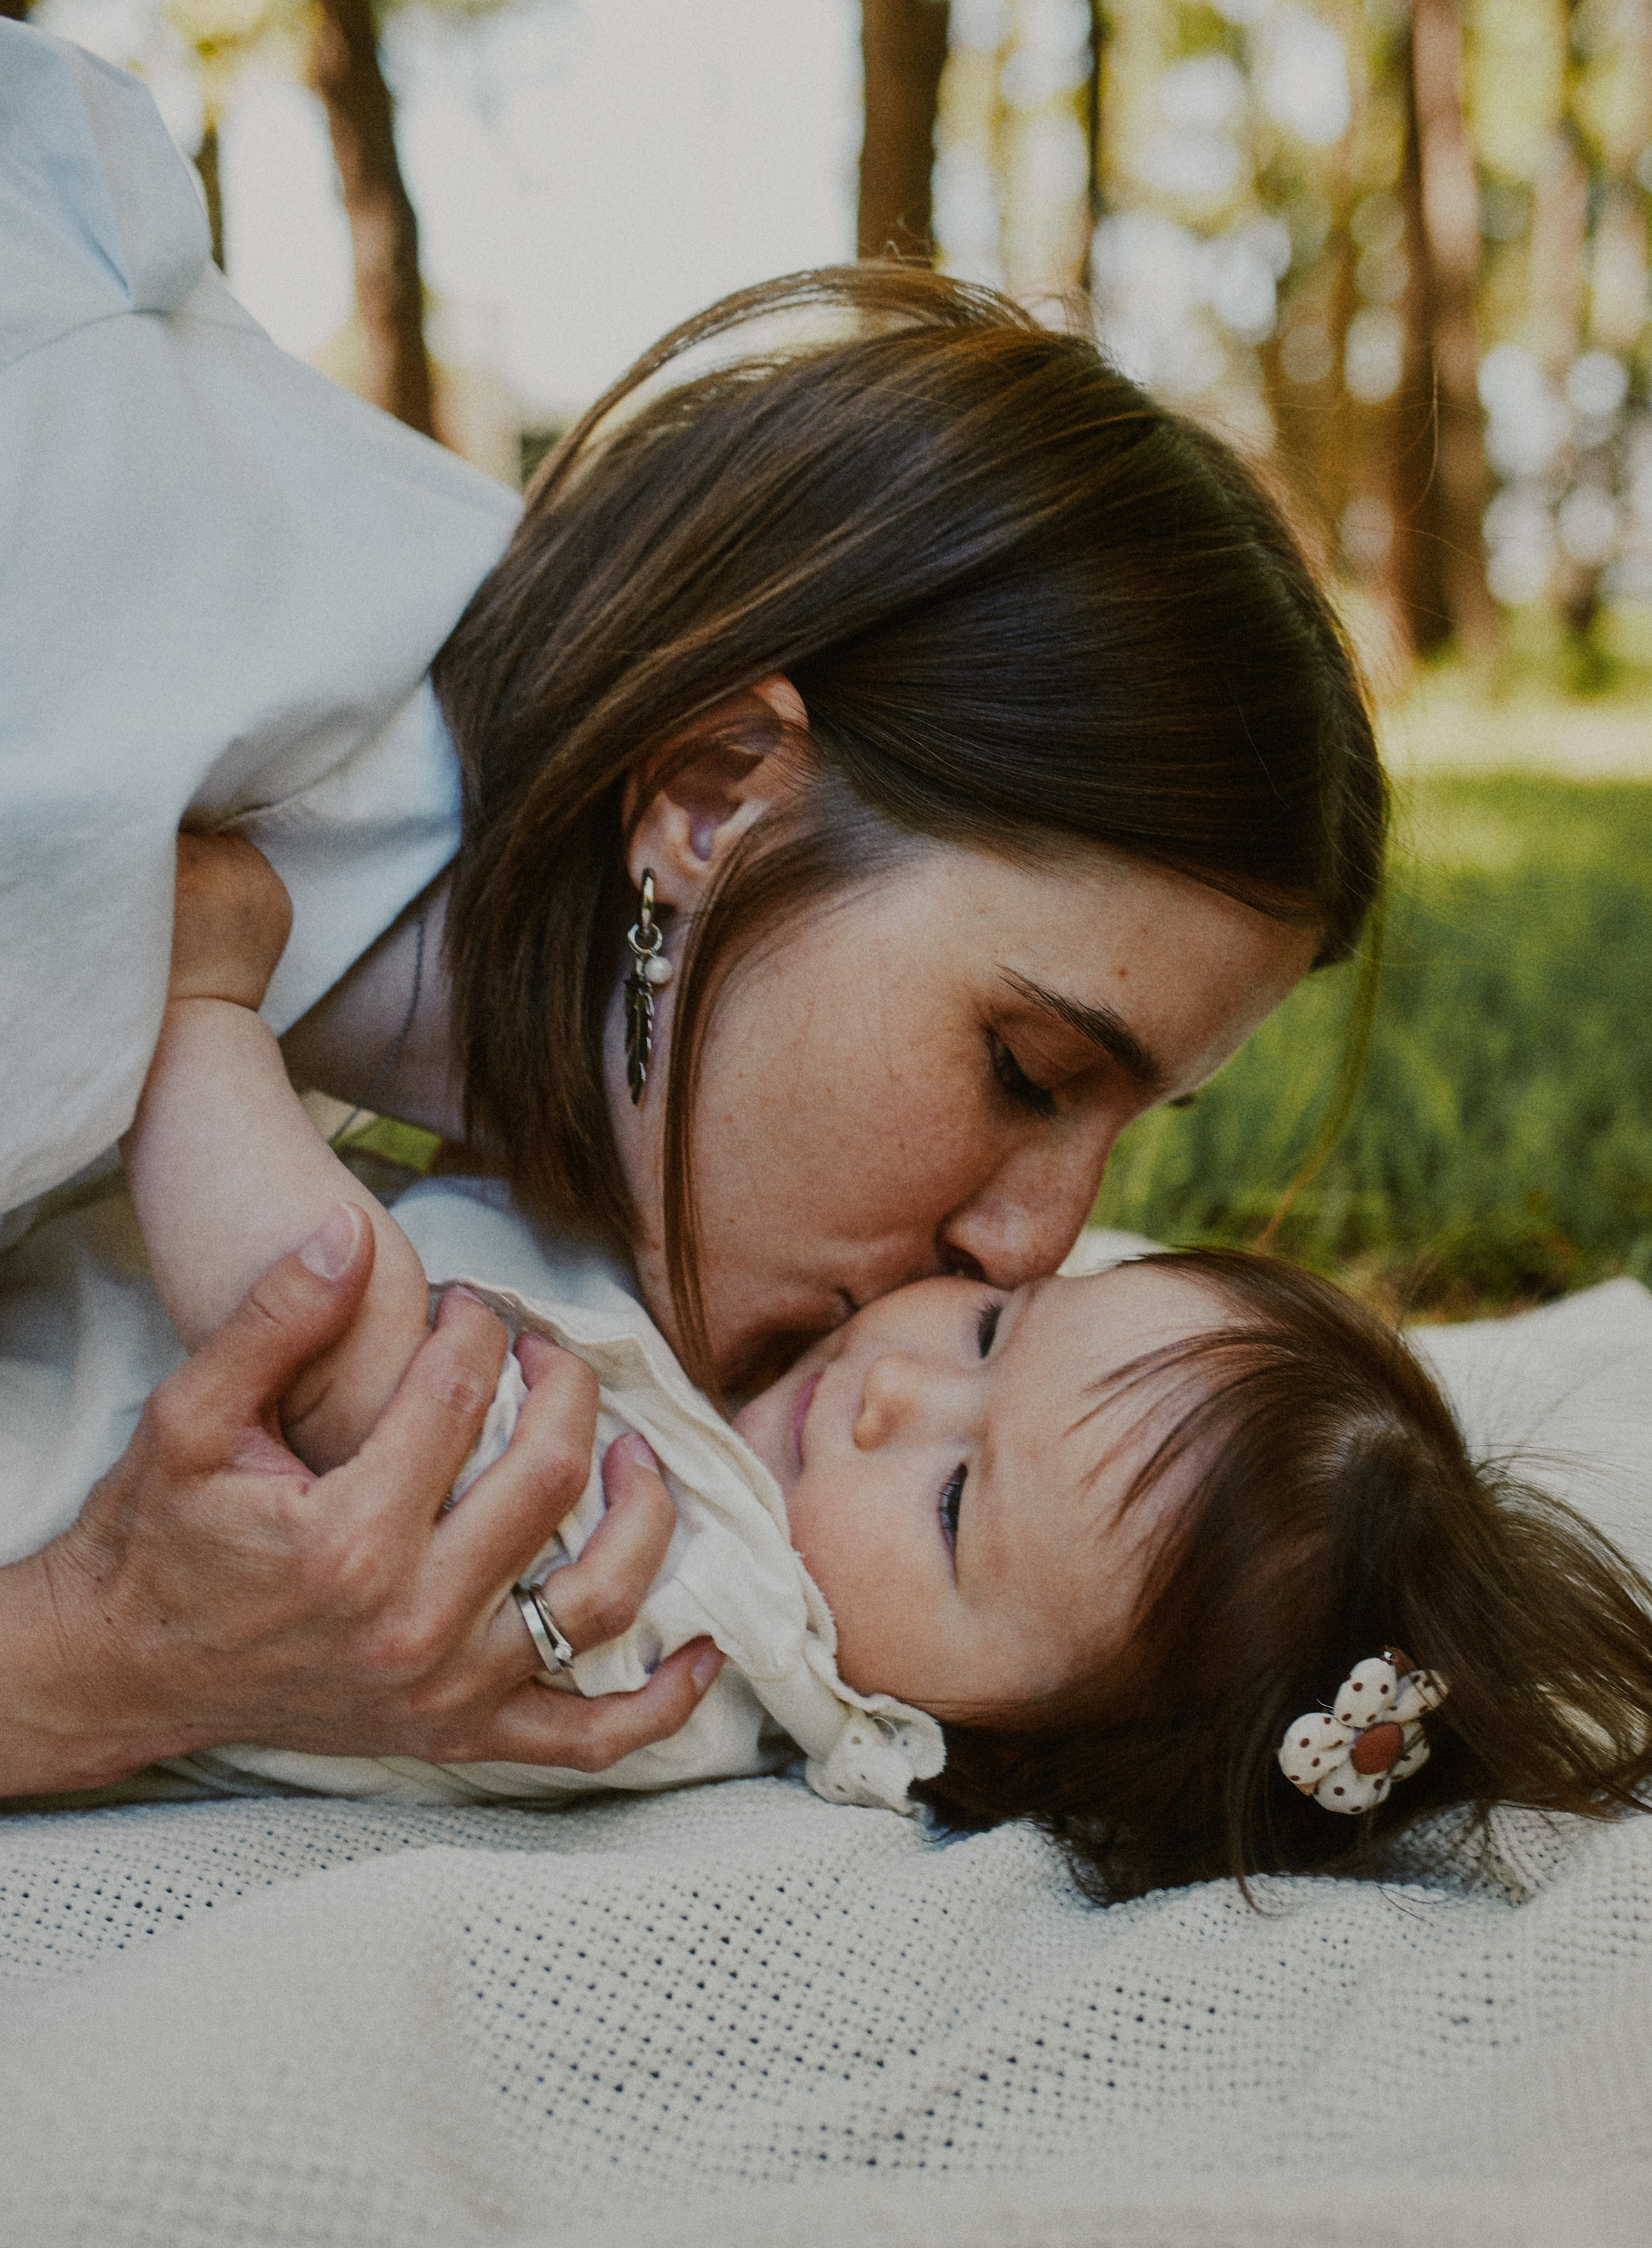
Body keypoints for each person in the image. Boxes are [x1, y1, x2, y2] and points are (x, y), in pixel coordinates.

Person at [0, 24, 1380, 1800]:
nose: (1035, 1243)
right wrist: (91, 1657)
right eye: (1024, 1069)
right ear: (713, 792)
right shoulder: (76, 767)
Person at [106, 834, 1652, 1904]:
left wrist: (199, 1010)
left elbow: (334, 1361)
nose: (889, 1388)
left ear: (974, 1746)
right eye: (998, 1335)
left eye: (948, 1505)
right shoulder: (753, 1447)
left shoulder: (677, 1622)